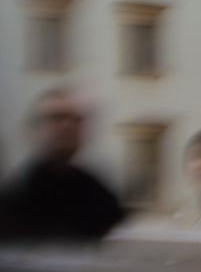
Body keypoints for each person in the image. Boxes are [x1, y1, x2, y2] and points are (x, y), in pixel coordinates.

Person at [0, 88, 125, 241]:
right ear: (33, 129)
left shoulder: (98, 194)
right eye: (57, 117)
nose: (67, 125)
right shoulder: (15, 195)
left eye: (76, 119)